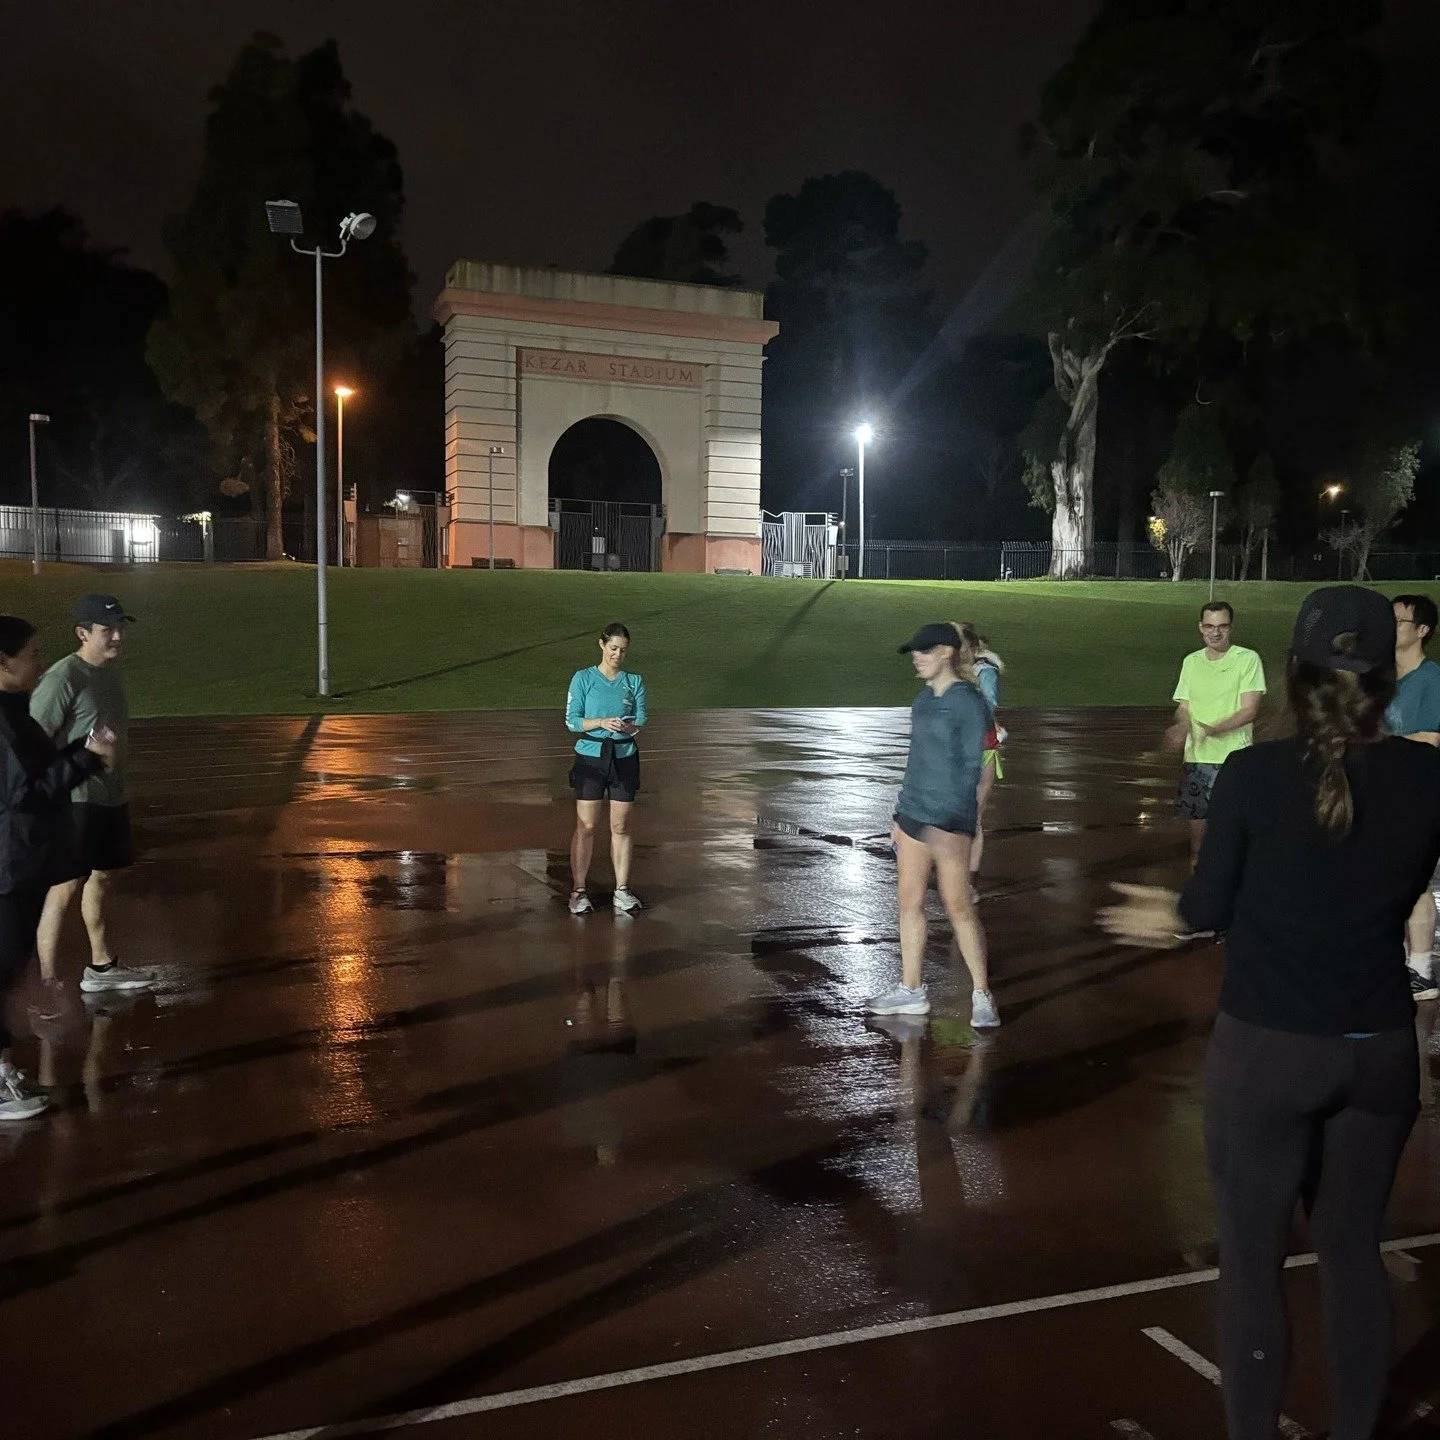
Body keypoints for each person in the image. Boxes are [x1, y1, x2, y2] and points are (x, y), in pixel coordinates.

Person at [1102, 585, 1439, 1440]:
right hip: (1379, 1050)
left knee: (1252, 1266)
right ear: (1384, 677)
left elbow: (1209, 904)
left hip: (1270, 1050)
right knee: (1353, 1255)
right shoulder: (1425, 775)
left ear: (1293, 668)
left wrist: (1166, 915)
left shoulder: (1254, 775)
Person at [0, 615, 114, 1121]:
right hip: (8, 864)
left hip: (19, 861)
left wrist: (81, 752)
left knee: (7, 972)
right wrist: (86, 759)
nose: (40, 662)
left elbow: (38, 775)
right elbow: (24, 793)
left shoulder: (12, 711)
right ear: (3, 662)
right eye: (31, 654)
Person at [867, 623, 999, 1029]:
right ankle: (912, 990)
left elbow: (969, 767)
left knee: (958, 906)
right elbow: (916, 761)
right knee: (908, 904)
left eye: (924, 651)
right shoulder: (922, 701)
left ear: (946, 652)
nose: (916, 658)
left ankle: (982, 995)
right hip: (913, 817)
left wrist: (957, 823)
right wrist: (898, 816)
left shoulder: (968, 702)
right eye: (914, 653)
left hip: (949, 822)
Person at [31, 593, 153, 996]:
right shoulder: (65, 677)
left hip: (108, 796)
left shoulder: (110, 674)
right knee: (64, 884)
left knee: (102, 877)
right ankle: (48, 980)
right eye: (107, 630)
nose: (117, 637)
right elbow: (33, 740)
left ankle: (101, 968)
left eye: (120, 628)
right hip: (75, 799)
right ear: (83, 633)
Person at [1166, 600, 1266, 868]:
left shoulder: (1247, 659)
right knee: (1198, 835)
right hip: (1197, 760)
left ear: (1231, 628)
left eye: (1222, 626)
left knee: (1234, 834)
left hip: (1235, 759)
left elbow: (1250, 710)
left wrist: (1211, 730)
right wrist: (1181, 725)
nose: (1215, 632)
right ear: (1200, 627)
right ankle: (1199, 890)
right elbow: (1184, 707)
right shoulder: (1191, 662)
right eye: (1209, 626)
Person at [565, 622, 647, 916]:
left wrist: (628, 726)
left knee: (620, 826)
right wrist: (600, 722)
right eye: (613, 648)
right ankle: (578, 890)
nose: (617, 655)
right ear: (601, 645)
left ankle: (622, 890)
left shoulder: (634, 681)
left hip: (623, 757)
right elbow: (572, 721)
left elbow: (641, 719)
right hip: (590, 757)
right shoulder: (583, 678)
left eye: (623, 650)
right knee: (586, 826)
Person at [1387, 594, 1440, 1003]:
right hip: (1381, 789)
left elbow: (1430, 738)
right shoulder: (1382, 675)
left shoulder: (1431, 679)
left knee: (1414, 881)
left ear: (1422, 630)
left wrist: (1374, 743)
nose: (1392, 626)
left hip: (1416, 793)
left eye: (1400, 621)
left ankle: (1421, 968)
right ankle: (1398, 959)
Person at [960, 622, 1004, 899]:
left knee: (973, 819)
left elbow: (987, 708)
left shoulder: (985, 673)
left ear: (974, 648)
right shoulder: (945, 673)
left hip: (981, 749)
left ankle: (969, 884)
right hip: (953, 753)